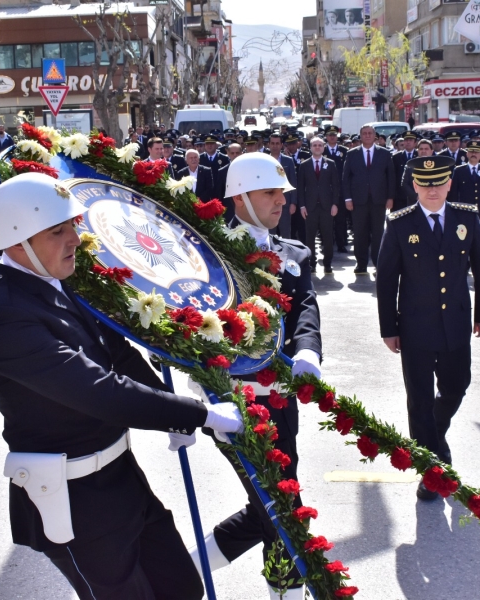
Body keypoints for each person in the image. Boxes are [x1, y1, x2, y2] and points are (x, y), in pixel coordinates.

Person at [0, 172, 242, 600]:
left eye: (72, 225)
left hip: (120, 477)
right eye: (58, 231)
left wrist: (168, 410)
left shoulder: (53, 279)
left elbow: (115, 350)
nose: (74, 238)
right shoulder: (0, 317)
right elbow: (99, 390)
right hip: (73, 499)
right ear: (18, 241)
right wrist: (197, 414)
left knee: (183, 586)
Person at [192, 152, 322, 600]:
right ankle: (285, 590)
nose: (281, 201)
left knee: (271, 500)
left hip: (280, 398)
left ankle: (185, 571)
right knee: (280, 501)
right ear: (240, 195)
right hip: (233, 402)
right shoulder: (208, 251)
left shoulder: (293, 253)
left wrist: (307, 350)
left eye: (282, 193)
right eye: (270, 192)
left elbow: (305, 306)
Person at [377, 155, 480, 500]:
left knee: (457, 388)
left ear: (449, 184)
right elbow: (386, 281)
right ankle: (431, 470)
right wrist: (388, 328)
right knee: (420, 399)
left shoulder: (466, 219)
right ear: (414, 185)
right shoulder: (400, 223)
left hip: (456, 321)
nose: (432, 189)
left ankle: (434, 439)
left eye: (439, 182)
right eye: (425, 183)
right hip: (415, 326)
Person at [342, 124, 396, 274]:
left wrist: (390, 197)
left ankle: (378, 262)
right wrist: (347, 198)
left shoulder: (385, 154)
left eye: (369, 133)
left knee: (378, 233)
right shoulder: (352, 154)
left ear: (375, 136)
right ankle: (361, 263)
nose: (367, 136)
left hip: (379, 200)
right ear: (360, 136)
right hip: (358, 201)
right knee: (360, 233)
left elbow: (391, 177)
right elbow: (346, 178)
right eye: (364, 133)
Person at [297, 137, 340, 273]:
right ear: (310, 148)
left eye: (320, 145)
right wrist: (302, 206)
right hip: (310, 207)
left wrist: (335, 204)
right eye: (314, 145)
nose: (317, 147)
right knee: (310, 237)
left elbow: (336, 186)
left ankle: (327, 263)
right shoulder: (304, 165)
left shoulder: (331, 163)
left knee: (327, 237)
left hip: (327, 206)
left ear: (323, 147)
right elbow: (300, 187)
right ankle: (312, 263)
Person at [447, 141, 480, 233]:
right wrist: (454, 211)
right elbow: (454, 193)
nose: (474, 154)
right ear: (467, 154)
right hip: (464, 211)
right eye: (471, 151)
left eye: (476, 152)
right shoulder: (459, 170)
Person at [323, 126, 349, 253]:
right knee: (326, 220)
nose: (332, 137)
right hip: (326, 191)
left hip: (341, 191)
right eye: (329, 135)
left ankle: (341, 243)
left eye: (334, 134)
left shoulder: (345, 151)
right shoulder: (321, 151)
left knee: (340, 219)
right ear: (326, 137)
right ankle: (327, 243)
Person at [267, 132, 298, 239]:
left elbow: (293, 182)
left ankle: (286, 255)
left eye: (277, 143)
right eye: (272, 143)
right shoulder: (264, 160)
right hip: (268, 204)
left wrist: (293, 203)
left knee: (286, 233)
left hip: (285, 203)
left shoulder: (288, 161)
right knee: (270, 234)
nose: (275, 146)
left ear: (281, 145)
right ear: (269, 145)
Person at [392, 132, 419, 211]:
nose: (408, 142)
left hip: (417, 195)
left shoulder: (419, 155)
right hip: (400, 196)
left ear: (415, 143)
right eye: (406, 140)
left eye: (410, 140)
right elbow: (393, 177)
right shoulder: (396, 157)